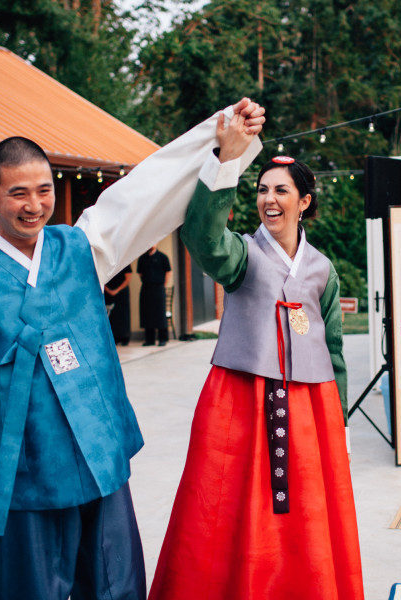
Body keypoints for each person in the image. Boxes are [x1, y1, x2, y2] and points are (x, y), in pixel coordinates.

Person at [0, 98, 265, 600]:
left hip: (100, 462)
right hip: (28, 478)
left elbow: (146, 190)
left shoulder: (81, 247)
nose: (34, 206)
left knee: (117, 589)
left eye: (44, 190)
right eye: (18, 193)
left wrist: (220, 139)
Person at [148, 112, 364, 599]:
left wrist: (340, 425)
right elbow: (202, 238)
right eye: (263, 189)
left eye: (281, 191)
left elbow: (333, 349)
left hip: (310, 410)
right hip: (240, 404)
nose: (268, 199)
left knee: (305, 516)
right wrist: (227, 160)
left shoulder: (322, 270)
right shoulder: (241, 255)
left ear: (304, 202)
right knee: (228, 506)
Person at [137, 246, 172, 346]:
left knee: (160, 313)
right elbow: (140, 273)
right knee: (147, 313)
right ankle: (149, 340)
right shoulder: (142, 258)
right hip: (146, 288)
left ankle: (163, 339)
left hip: (159, 288)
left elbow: (168, 272)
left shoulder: (163, 257)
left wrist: (163, 285)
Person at [105, 263, 133, 345]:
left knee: (123, 315)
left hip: (121, 292)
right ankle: (114, 338)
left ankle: (125, 337)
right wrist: (108, 290)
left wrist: (117, 290)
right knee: (112, 316)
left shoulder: (125, 262)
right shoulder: (108, 262)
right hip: (109, 292)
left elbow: (128, 278)